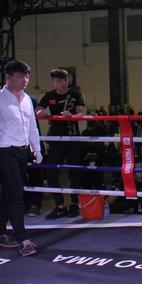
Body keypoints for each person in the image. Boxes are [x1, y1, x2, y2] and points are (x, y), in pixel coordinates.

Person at [0, 60, 42, 256]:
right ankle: (22, 239)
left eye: (27, 76)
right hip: (4, 152)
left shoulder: (27, 99)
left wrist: (37, 149)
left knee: (9, 194)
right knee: (15, 194)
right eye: (21, 76)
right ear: (8, 77)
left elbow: (32, 126)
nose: (25, 80)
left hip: (23, 152)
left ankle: (1, 232)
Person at [36, 68, 86, 219]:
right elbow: (38, 109)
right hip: (56, 139)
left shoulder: (75, 95)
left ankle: (74, 205)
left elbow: (82, 113)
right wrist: (40, 113)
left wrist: (72, 116)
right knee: (51, 173)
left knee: (74, 173)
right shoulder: (49, 95)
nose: (63, 83)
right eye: (59, 80)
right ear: (53, 82)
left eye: (65, 80)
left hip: (72, 138)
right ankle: (59, 206)